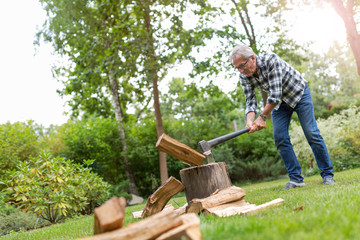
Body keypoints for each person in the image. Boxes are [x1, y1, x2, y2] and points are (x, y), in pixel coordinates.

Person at [229, 44, 335, 190]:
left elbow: (275, 95)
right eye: (237, 68)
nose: (241, 71)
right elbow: (250, 101)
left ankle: (327, 175)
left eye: (242, 65)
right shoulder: (244, 76)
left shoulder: (270, 60)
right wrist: (249, 121)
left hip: (299, 94)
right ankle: (296, 179)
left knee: (311, 133)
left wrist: (261, 117)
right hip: (280, 104)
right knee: (280, 137)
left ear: (252, 58)